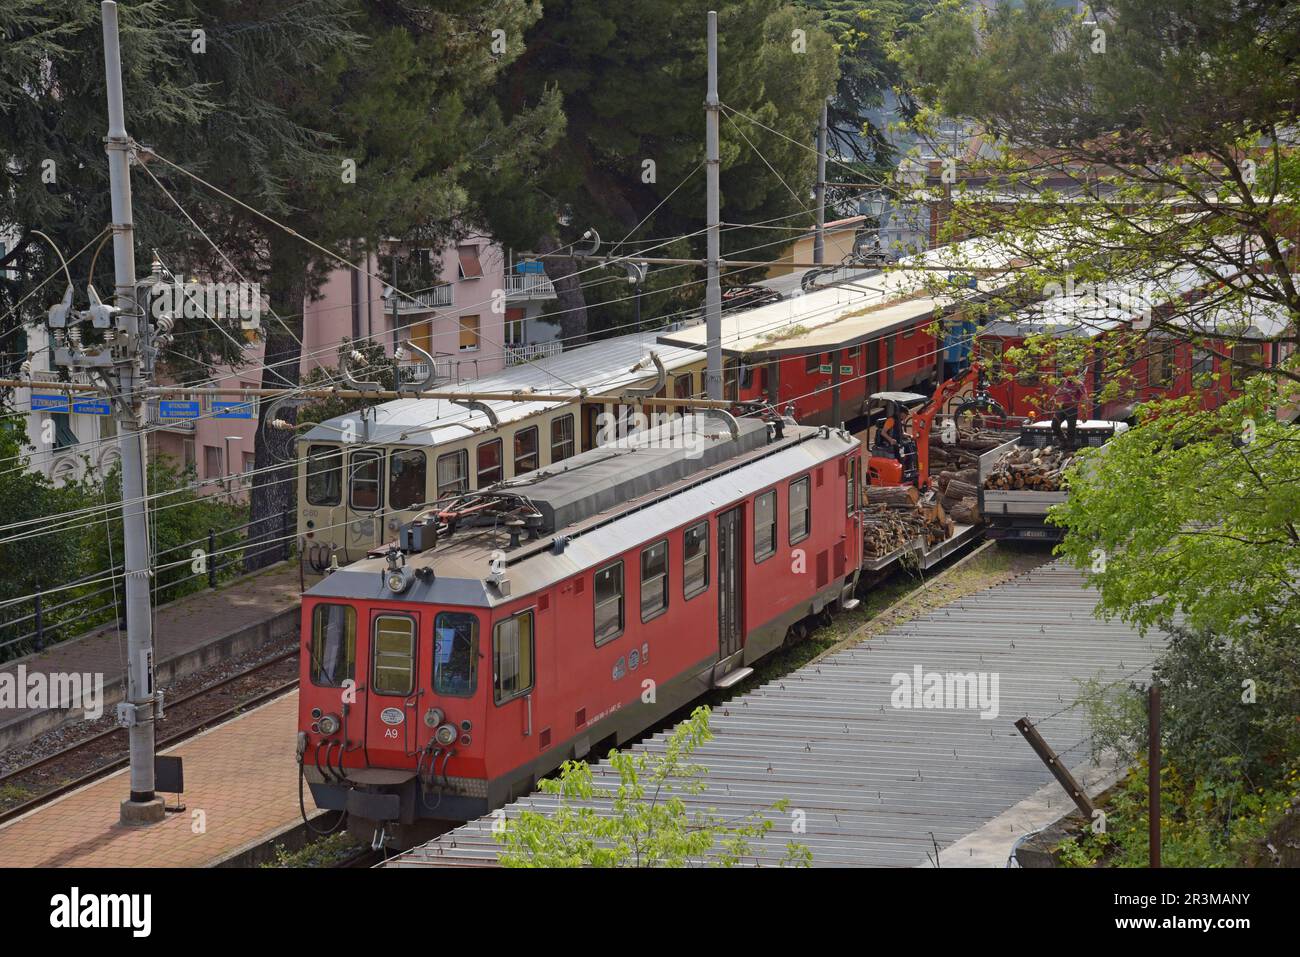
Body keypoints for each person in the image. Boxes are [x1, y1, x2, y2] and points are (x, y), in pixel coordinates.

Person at [1051, 375, 1086, 448]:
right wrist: (1053, 399)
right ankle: (1063, 442)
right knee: (1054, 425)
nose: (1069, 377)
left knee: (1071, 429)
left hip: (1072, 409)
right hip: (1062, 407)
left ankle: (1070, 445)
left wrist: (1084, 413)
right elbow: (1057, 392)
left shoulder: (1080, 385)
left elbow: (1085, 399)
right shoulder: (1065, 382)